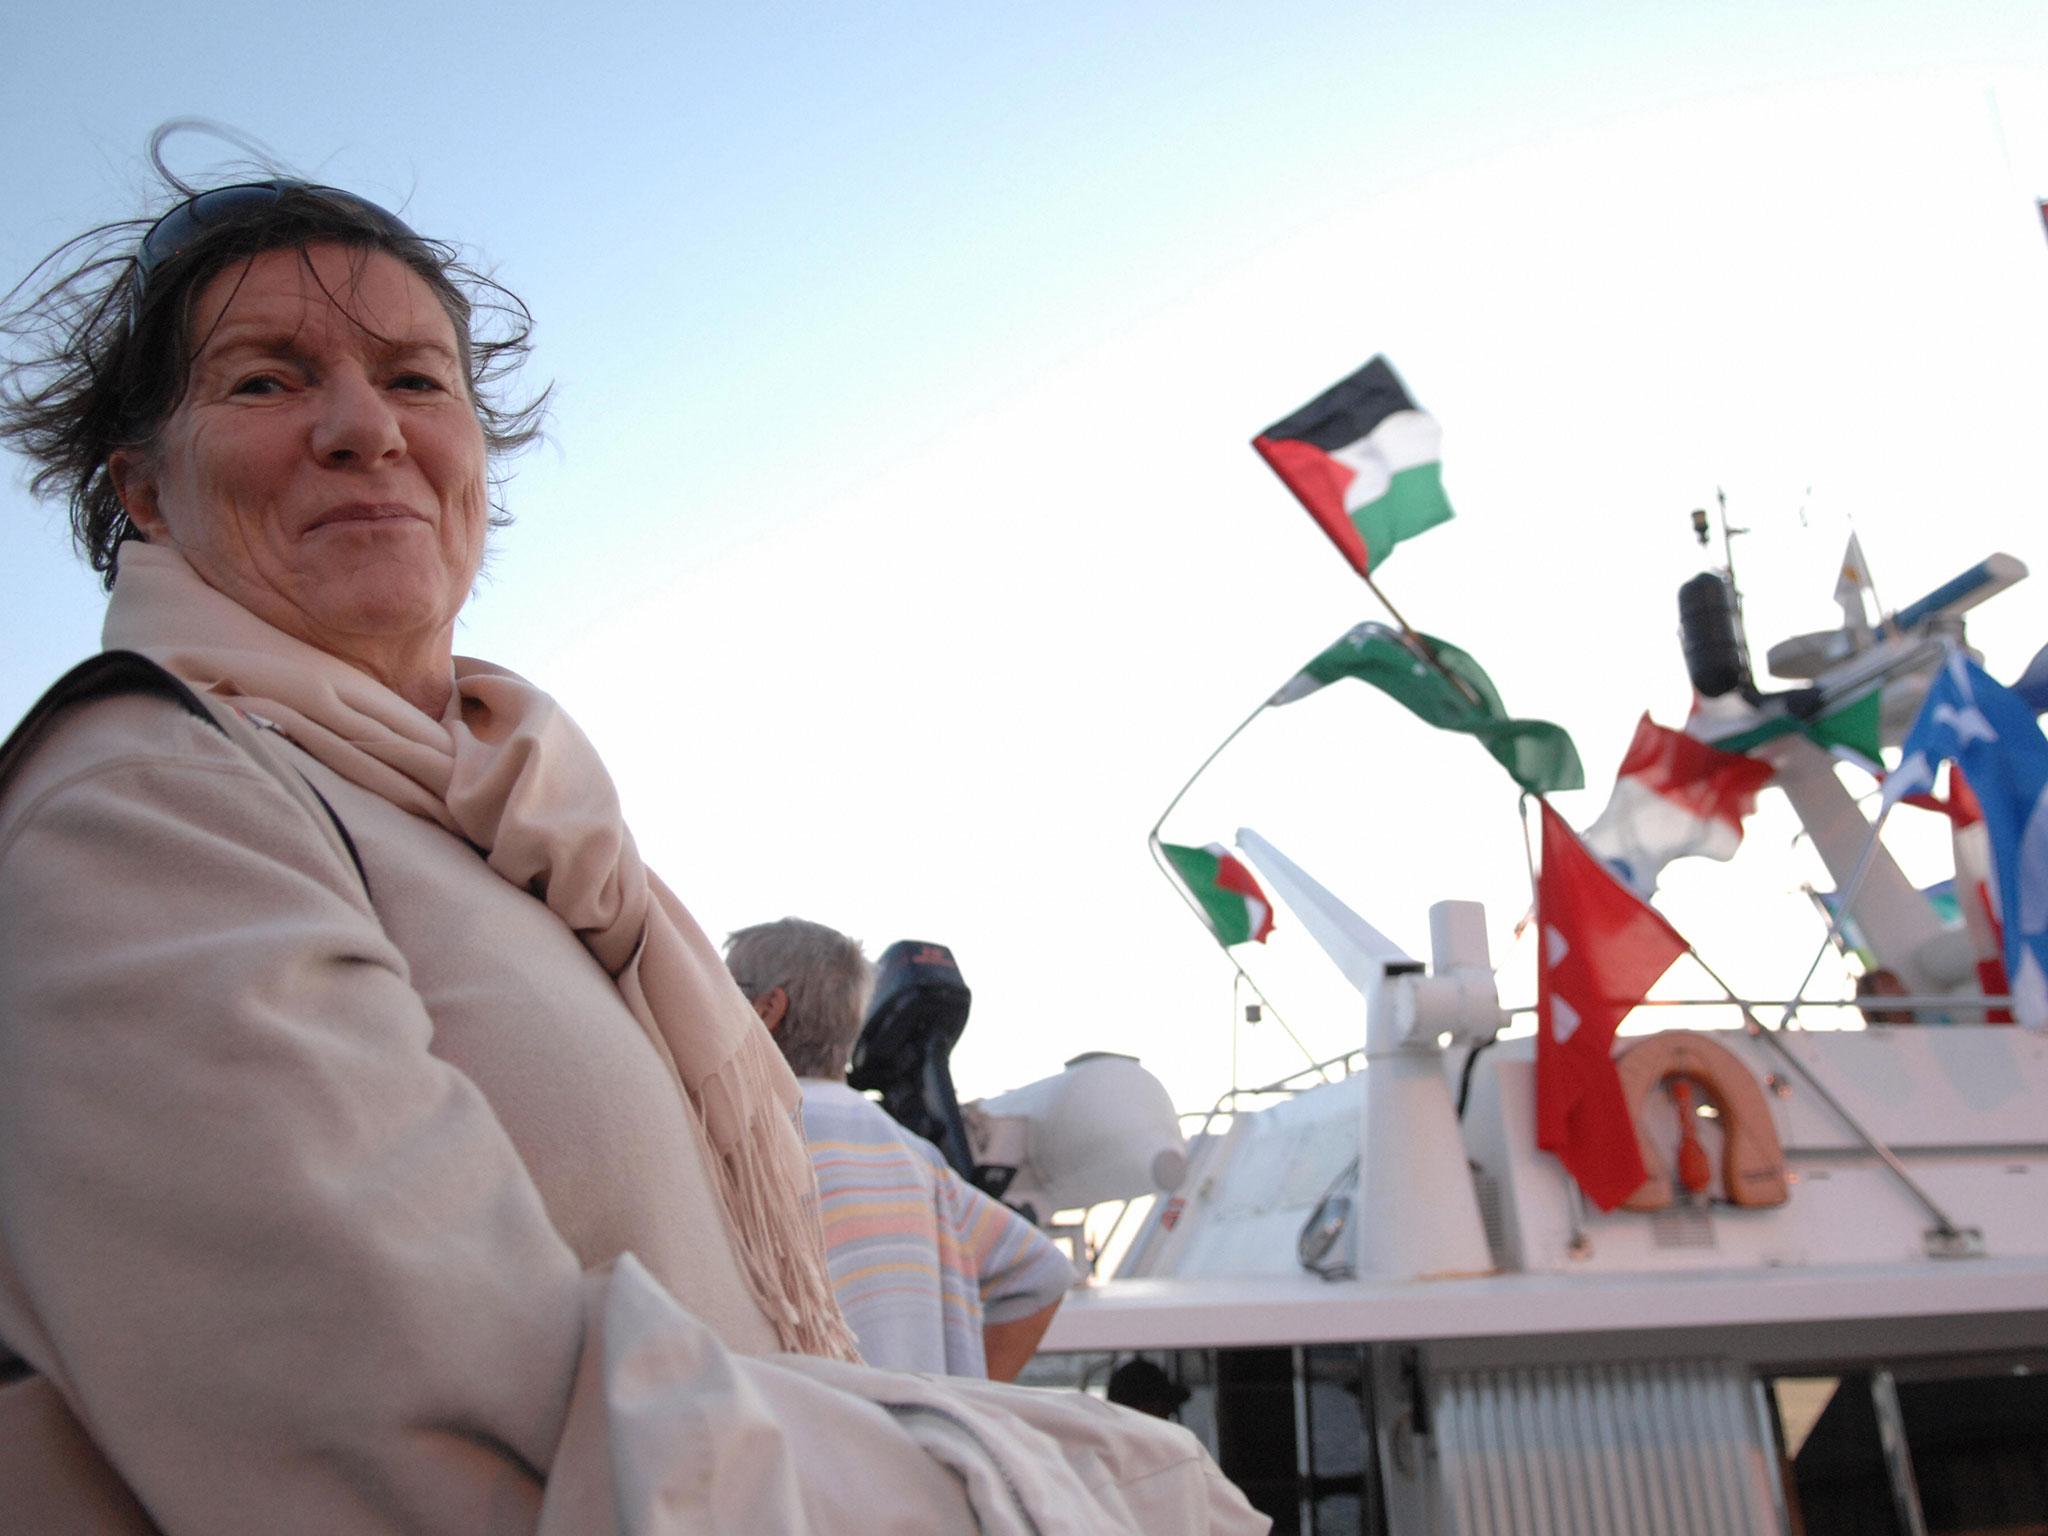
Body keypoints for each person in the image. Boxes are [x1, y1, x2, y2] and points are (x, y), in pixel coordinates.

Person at [0, 151, 1265, 1536]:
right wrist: (1096, 1490)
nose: (366, 427)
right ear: (141, 488)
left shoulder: (534, 843)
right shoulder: (144, 802)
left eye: (418, 380)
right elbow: (446, 1432)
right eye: (267, 379)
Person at [723, 917, 1072, 1379]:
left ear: (768, 1009)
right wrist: (973, 1398)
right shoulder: (917, 1159)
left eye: (720, 992)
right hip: (914, 1446)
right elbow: (1042, 1273)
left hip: (805, 1445)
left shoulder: (742, 1142)